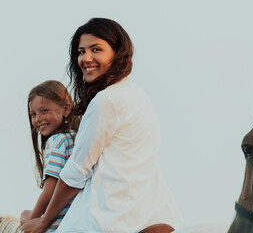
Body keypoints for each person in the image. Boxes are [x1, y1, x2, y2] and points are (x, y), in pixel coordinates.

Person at [21, 18, 183, 233]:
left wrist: (42, 221)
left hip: (109, 220)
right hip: (153, 212)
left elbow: (75, 173)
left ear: (118, 53)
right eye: (81, 52)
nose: (85, 58)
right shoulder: (138, 95)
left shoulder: (106, 101)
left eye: (96, 49)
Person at [20, 80, 79, 232]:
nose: (38, 119)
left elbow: (49, 192)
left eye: (44, 110)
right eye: (33, 114)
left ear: (66, 109)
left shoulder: (56, 142)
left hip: (59, 226)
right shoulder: (76, 139)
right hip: (78, 218)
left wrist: (31, 218)